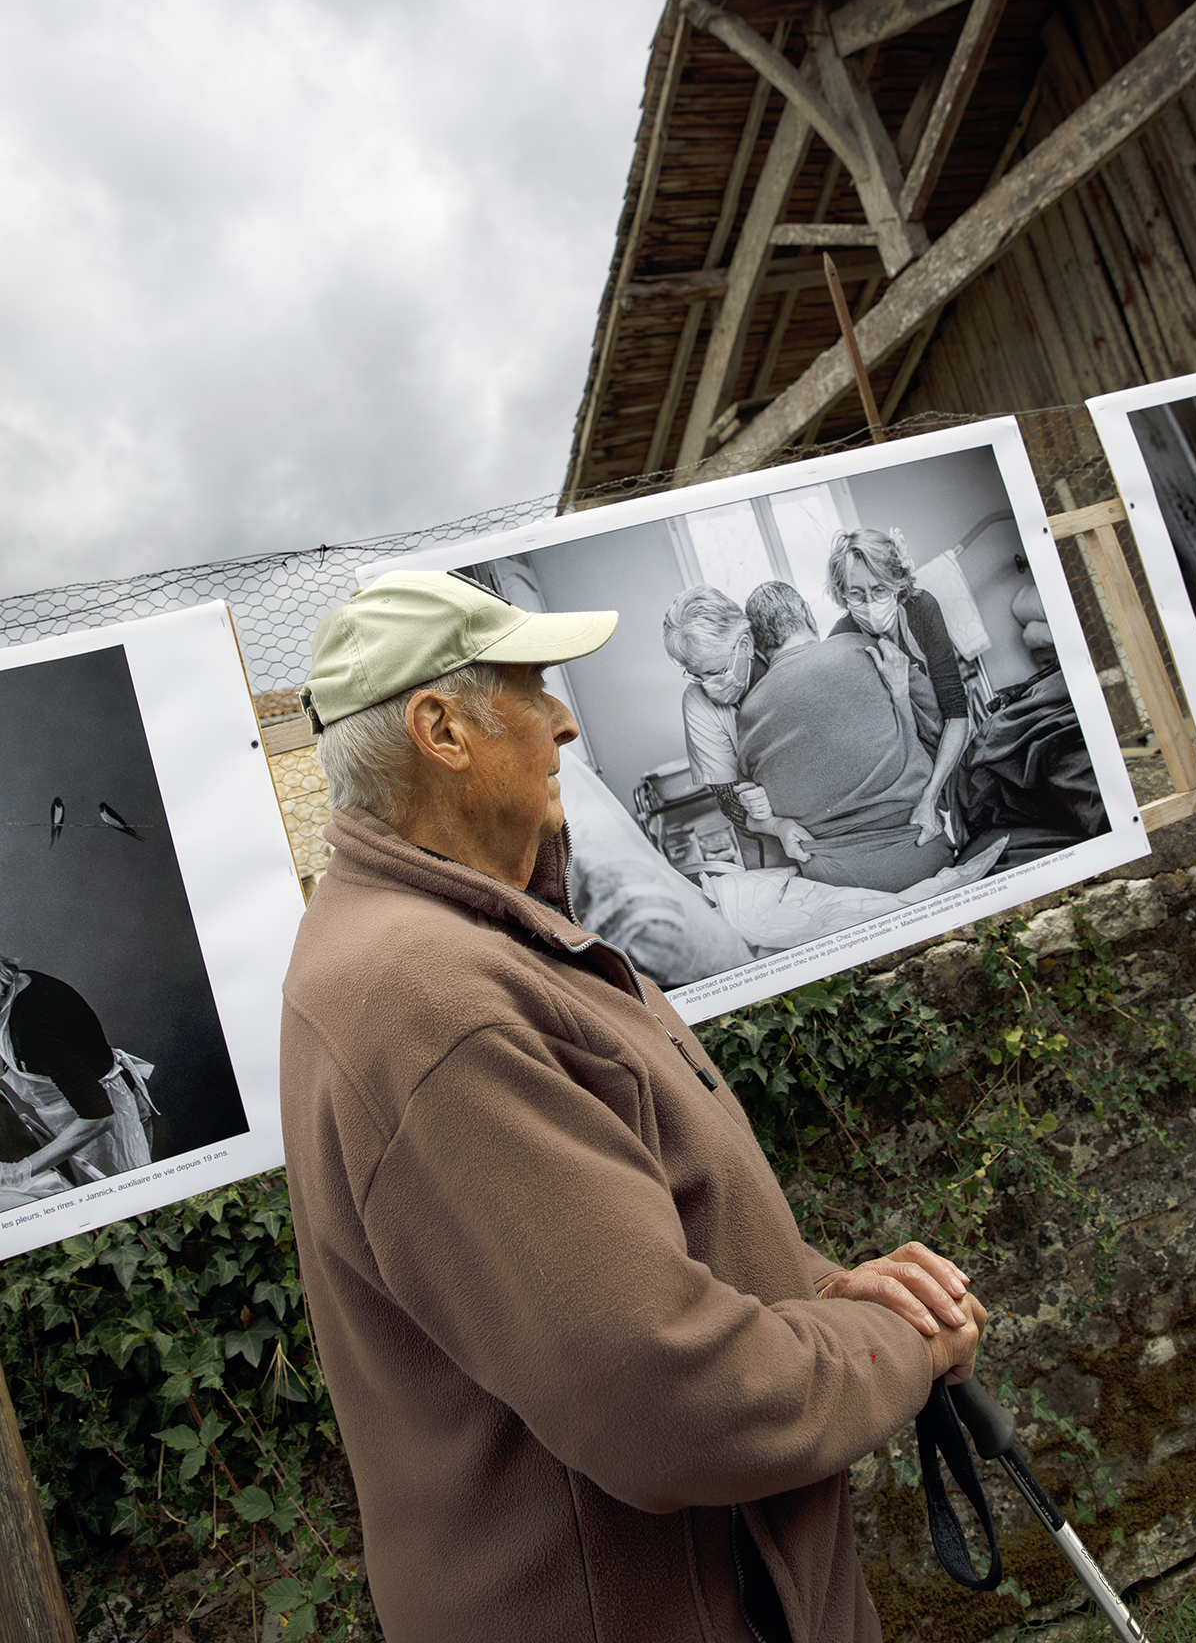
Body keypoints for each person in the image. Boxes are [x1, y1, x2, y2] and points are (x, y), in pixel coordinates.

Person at [281, 568, 986, 1643]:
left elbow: (637, 1229)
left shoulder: (470, 943)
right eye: (529, 688)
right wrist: (893, 1347)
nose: (564, 721)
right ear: (442, 730)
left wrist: (829, 1289)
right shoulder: (431, 1001)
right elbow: (666, 1399)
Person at [737, 582, 956, 892]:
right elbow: (936, 733)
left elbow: (752, 802)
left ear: (758, 650)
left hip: (835, 882)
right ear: (809, 617)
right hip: (922, 854)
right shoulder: (865, 648)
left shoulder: (747, 713)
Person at [827, 529, 970, 846]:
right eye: (856, 594)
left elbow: (957, 715)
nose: (870, 603)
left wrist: (930, 798)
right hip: (902, 769)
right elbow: (883, 745)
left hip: (952, 752)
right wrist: (899, 694)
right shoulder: (841, 641)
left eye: (879, 590)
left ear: (897, 583)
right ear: (841, 594)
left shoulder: (921, 610)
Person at [661, 585, 811, 862]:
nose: (708, 685)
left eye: (715, 672)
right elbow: (729, 801)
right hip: (768, 838)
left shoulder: (786, 658)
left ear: (745, 645)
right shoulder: (697, 704)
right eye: (696, 675)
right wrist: (776, 824)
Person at [0, 957, 156, 1205]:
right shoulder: (11, 986)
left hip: (104, 1123)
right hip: (69, 1120)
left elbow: (99, 1114)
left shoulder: (32, 1027)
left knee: (127, 1204)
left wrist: (20, 1171)